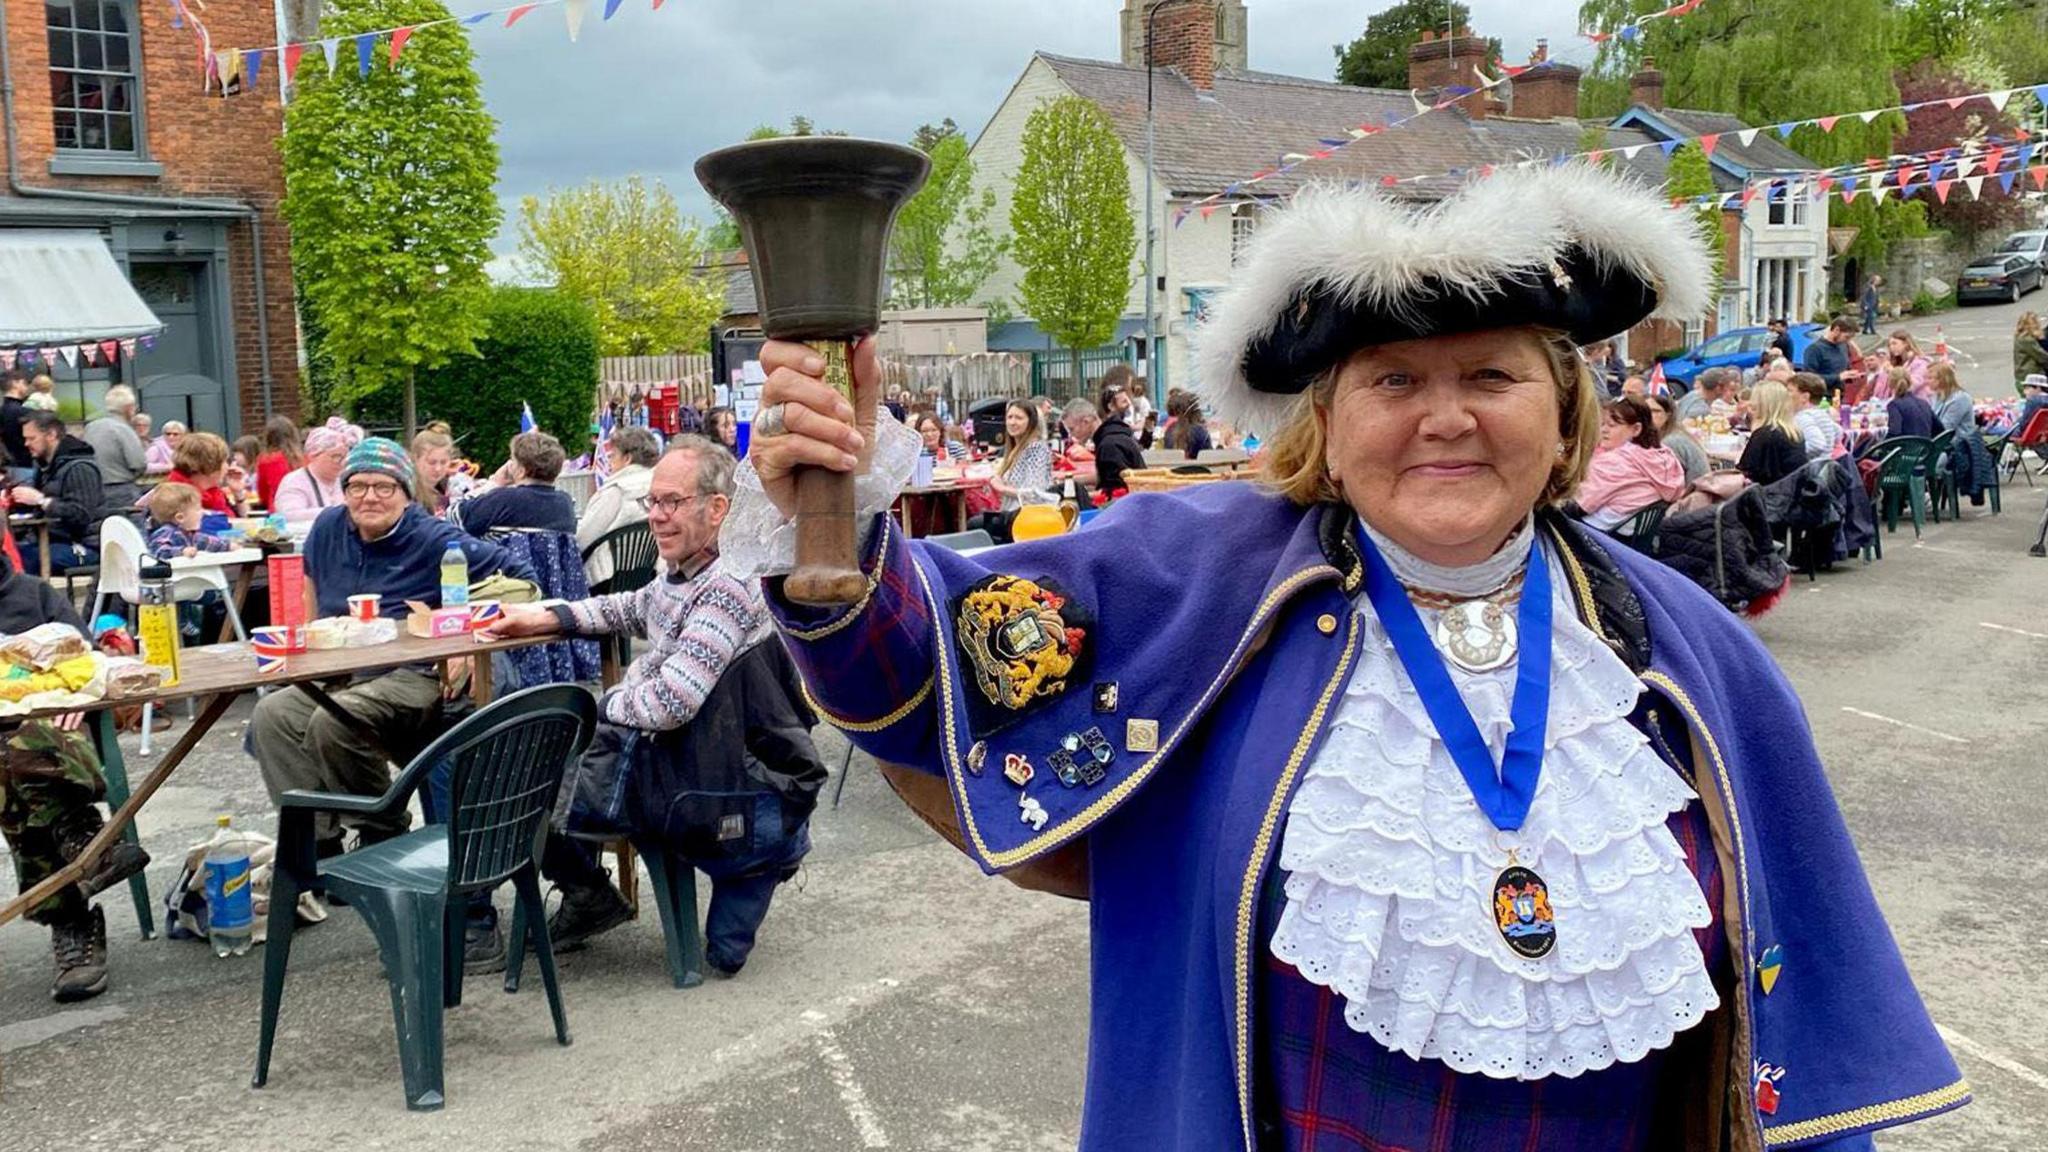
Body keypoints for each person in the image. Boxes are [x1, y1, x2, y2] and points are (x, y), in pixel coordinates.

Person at [728, 164, 1965, 1149]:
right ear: (1327, 418)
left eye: (1490, 374)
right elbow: (916, 674)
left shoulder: (1676, 642)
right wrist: (825, 499)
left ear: (1562, 412)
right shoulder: (1191, 566)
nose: (1443, 416)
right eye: (1391, 380)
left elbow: (1778, 1020)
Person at [482, 438, 823, 974]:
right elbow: (635, 606)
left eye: (672, 503)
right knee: (529, 767)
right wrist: (548, 618)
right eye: (654, 503)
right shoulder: (687, 572)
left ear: (717, 509)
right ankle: (603, 887)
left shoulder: (726, 586)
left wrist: (599, 706)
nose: (657, 517)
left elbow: (670, 703)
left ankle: (759, 848)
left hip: (709, 769)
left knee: (520, 774)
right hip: (691, 753)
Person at [250, 438, 536, 869]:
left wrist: (468, 633)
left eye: (384, 487)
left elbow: (522, 579)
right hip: (343, 664)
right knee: (272, 716)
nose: (369, 496)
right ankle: (318, 845)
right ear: (343, 491)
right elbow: (309, 590)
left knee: (335, 720)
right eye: (357, 486)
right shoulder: (328, 528)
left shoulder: (432, 537)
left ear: (405, 493)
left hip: (414, 671)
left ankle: (381, 828)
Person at [0, 553, 150, 1001]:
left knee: (22, 752)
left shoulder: (34, 594)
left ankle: (71, 917)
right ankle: (89, 849)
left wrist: (76, 691)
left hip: (53, 729)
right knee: (7, 762)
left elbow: (90, 659)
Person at [13, 411, 109, 573]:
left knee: (21, 559)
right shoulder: (46, 468)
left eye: (32, 438)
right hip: (53, 541)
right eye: (25, 439)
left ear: (51, 435)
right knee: (10, 554)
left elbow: (82, 515)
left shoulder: (80, 467)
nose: (26, 444)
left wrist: (42, 501)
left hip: (87, 546)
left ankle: (31, 598)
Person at [1574, 396, 1686, 530]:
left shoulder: (1614, 462)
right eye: (1602, 424)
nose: (1603, 430)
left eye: (1611, 425)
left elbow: (1581, 507)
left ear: (1636, 429)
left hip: (1602, 536)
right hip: (1636, 535)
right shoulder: (1664, 455)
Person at [577, 426, 660, 587]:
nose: (609, 462)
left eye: (613, 456)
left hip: (607, 579)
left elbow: (583, 539)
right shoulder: (662, 486)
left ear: (627, 458)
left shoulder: (616, 491)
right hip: (651, 575)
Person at [453, 431, 576, 537]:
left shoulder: (504, 499)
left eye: (512, 460)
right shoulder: (565, 502)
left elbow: (454, 518)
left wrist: (494, 483)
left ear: (521, 471)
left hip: (504, 564)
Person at [970, 399, 1053, 542]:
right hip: (1012, 512)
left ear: (1030, 422)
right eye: (1010, 417)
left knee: (975, 525)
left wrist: (1002, 488)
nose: (1013, 422)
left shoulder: (1036, 449)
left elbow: (1035, 494)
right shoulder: (1015, 449)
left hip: (1027, 516)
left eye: (1019, 418)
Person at [1929, 361, 1994, 508]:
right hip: (1940, 443)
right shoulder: (1937, 397)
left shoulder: (1959, 398)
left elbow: (1946, 429)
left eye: (1931, 378)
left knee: (1927, 464)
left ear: (1942, 379)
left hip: (1959, 446)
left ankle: (1923, 496)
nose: (1928, 382)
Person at [272, 417, 360, 524]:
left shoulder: (345, 480)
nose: (341, 463)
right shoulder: (294, 481)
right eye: (335, 457)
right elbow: (289, 515)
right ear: (313, 456)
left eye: (344, 457)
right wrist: (340, 512)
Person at [83, 385, 148, 515]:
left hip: (94, 491)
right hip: (122, 490)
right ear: (128, 408)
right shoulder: (123, 429)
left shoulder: (90, 427)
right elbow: (139, 463)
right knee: (130, 530)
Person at [1738, 380, 1810, 486]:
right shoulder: (1794, 433)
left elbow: (1746, 471)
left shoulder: (1764, 435)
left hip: (1771, 496)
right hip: (1793, 492)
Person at [146, 482, 236, 560]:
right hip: (172, 577)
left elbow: (207, 541)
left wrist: (228, 546)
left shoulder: (190, 534)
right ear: (180, 517)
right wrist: (181, 552)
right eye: (197, 509)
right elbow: (159, 552)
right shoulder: (166, 533)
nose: (202, 513)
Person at [163, 432, 243, 517]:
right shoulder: (177, 497)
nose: (228, 466)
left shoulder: (214, 493)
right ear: (210, 465)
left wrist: (238, 493)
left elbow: (243, 521)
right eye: (224, 461)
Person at [1088, 383, 1147, 496]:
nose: (1129, 404)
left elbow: (1116, 490)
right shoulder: (1119, 437)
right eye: (1124, 401)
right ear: (1110, 406)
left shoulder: (1110, 443)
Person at [1646, 393, 1709, 483]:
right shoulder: (1673, 434)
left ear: (1668, 415)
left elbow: (1669, 483)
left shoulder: (1671, 442)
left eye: (1656, 411)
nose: (1650, 415)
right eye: (1646, 411)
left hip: (1691, 493)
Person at [1800, 316, 1860, 401]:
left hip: (1840, 397)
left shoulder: (1844, 346)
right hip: (1821, 399)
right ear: (1836, 330)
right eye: (1846, 337)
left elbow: (1844, 368)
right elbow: (1809, 379)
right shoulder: (1814, 350)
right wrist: (1837, 378)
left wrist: (1851, 375)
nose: (1848, 340)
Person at [1790, 373, 1843, 459]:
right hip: (1825, 467)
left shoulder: (1803, 417)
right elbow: (1838, 432)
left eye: (1790, 390)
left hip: (1810, 468)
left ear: (1805, 397)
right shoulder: (1823, 414)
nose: (1786, 394)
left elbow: (1816, 444)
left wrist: (1792, 452)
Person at [254, 416, 302, 511]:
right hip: (301, 505)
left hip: (277, 510)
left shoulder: (265, 460)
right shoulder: (301, 459)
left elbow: (263, 493)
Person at [409, 429, 456, 515]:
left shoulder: (449, 487)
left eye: (443, 462)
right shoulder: (408, 495)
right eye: (431, 462)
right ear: (415, 458)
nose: (438, 468)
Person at [1885, 368, 1938, 441]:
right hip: (1925, 449)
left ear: (1890, 384)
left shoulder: (1894, 405)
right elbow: (1939, 429)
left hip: (1907, 450)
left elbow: (1894, 432)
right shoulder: (1924, 403)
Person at [1878, 330, 1932, 400]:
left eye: (1894, 343)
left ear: (1906, 344)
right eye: (1889, 345)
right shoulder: (1894, 363)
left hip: (1917, 402)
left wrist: (1893, 373)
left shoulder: (1920, 362)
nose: (1891, 347)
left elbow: (1913, 385)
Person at [1, 371, 33, 483]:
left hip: (6, 464)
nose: (27, 387)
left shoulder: (2, 411)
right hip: (26, 463)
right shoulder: (25, 412)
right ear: (15, 383)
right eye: (24, 383)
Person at [1164, 392, 1213, 458]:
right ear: (1197, 411)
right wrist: (1220, 445)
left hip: (1173, 468)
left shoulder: (1169, 431)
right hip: (1198, 467)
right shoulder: (1201, 432)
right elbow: (1211, 458)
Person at [2013, 312, 2048, 395]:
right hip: (2031, 380)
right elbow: (2042, 357)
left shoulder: (2019, 337)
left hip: (2022, 377)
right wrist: (2041, 339)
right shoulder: (2028, 340)